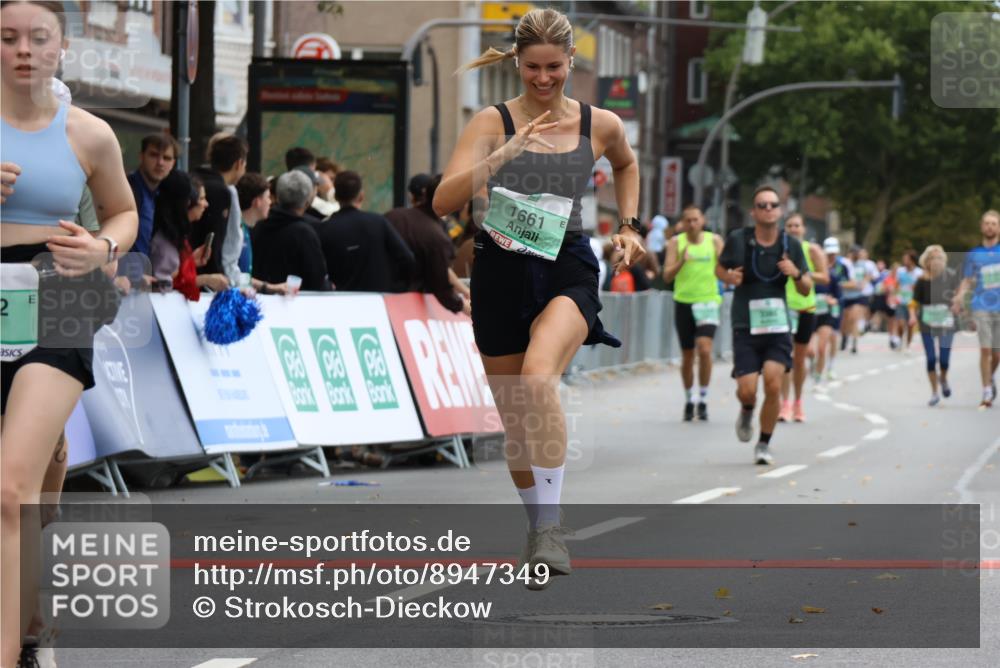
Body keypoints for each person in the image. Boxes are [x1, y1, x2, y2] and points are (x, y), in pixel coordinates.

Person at [433, 7, 644, 589]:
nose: (544, 78)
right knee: (516, 423)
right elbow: (443, 202)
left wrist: (630, 226)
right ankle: (537, 527)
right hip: (500, 270)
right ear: (516, 63)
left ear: (571, 61)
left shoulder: (599, 123)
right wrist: (499, 156)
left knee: (536, 378)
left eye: (555, 67)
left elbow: (626, 164)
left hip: (566, 265)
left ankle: (550, 528)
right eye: (533, 68)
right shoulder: (491, 121)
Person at [0, 3, 138, 666]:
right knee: (22, 488)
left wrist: (104, 248)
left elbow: (123, 211)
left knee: (11, 486)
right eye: (7, 38)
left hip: (58, 289)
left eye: (39, 38)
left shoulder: (90, 133)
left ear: (62, 49)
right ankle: (30, 616)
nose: (23, 49)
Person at [716, 186, 812, 465]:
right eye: (762, 205)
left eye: (773, 205)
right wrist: (729, 277)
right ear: (754, 212)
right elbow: (719, 269)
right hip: (745, 324)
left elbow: (806, 288)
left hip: (777, 326)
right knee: (747, 390)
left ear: (780, 211)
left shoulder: (791, 245)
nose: (768, 209)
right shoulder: (738, 239)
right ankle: (747, 409)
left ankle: (763, 444)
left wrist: (796, 274)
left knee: (773, 383)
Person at [662, 205, 723, 421]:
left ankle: (703, 398)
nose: (692, 224)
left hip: (708, 302)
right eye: (688, 220)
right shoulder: (676, 243)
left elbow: (725, 268)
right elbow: (666, 276)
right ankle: (690, 399)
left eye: (696, 219)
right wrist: (682, 261)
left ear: (703, 221)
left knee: (705, 350)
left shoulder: (714, 241)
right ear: (683, 223)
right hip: (684, 303)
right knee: (688, 356)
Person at [316, 170, 415, 292]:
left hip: (340, 299)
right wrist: (394, 287)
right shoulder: (378, 222)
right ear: (361, 196)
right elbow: (407, 258)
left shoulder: (324, 229)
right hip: (377, 297)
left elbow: (318, 270)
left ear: (335, 196)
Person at [388, 175, 468, 313]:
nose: (464, 204)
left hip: (378, 299)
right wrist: (466, 308)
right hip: (403, 307)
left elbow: (441, 268)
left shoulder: (394, 215)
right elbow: (441, 285)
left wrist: (465, 291)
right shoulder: (437, 237)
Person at [778, 214, 829, 422]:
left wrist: (800, 271)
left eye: (797, 225)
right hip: (784, 308)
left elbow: (824, 277)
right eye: (789, 225)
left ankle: (798, 402)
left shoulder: (812, 250)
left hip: (805, 308)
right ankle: (785, 404)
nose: (793, 229)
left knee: (799, 359)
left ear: (804, 229)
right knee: (785, 357)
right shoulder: (779, 249)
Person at [251, 170, 331, 291]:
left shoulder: (259, 225)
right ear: (308, 201)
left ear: (277, 197)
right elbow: (317, 280)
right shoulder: (304, 233)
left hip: (259, 297)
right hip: (294, 299)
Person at [954, 209, 1000, 408]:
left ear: (999, 228)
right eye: (987, 223)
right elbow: (967, 279)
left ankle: (989, 377)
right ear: (982, 227)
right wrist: (959, 297)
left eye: (994, 224)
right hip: (981, 305)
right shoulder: (974, 254)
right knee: (985, 349)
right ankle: (986, 391)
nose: (990, 227)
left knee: (997, 354)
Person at [147, 171, 213, 300]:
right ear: (187, 203)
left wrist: (190, 261)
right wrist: (206, 279)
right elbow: (163, 290)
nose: (206, 204)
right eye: (201, 198)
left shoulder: (176, 237)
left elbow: (174, 273)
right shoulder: (164, 243)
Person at [190, 134, 247, 284]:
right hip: (205, 279)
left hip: (188, 269)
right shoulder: (221, 192)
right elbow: (216, 241)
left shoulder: (195, 179)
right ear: (239, 164)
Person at [910, 245, 960, 406]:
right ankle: (934, 392)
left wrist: (957, 304)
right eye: (932, 258)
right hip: (927, 323)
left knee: (944, 360)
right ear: (926, 262)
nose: (936, 261)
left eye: (939, 258)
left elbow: (959, 295)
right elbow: (913, 303)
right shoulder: (921, 280)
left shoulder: (950, 277)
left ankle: (943, 379)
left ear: (944, 260)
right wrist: (912, 316)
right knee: (931, 358)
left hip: (946, 323)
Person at [126, 133, 178, 257]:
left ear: (173, 163)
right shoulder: (128, 189)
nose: (160, 162)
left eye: (166, 158)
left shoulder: (161, 194)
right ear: (141, 156)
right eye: (154, 155)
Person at [812, 237, 847, 383]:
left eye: (833, 253)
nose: (831, 256)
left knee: (831, 339)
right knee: (811, 349)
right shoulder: (811, 271)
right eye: (828, 254)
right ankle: (815, 364)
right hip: (812, 311)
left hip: (831, 311)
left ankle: (829, 367)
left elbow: (841, 293)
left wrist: (833, 300)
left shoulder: (840, 268)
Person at [892, 250, 922, 353]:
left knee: (910, 325)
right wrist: (894, 296)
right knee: (900, 323)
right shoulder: (900, 271)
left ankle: (908, 345)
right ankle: (900, 341)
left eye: (907, 259)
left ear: (912, 260)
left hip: (913, 302)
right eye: (904, 259)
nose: (905, 261)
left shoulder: (919, 272)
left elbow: (920, 288)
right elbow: (896, 285)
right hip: (901, 301)